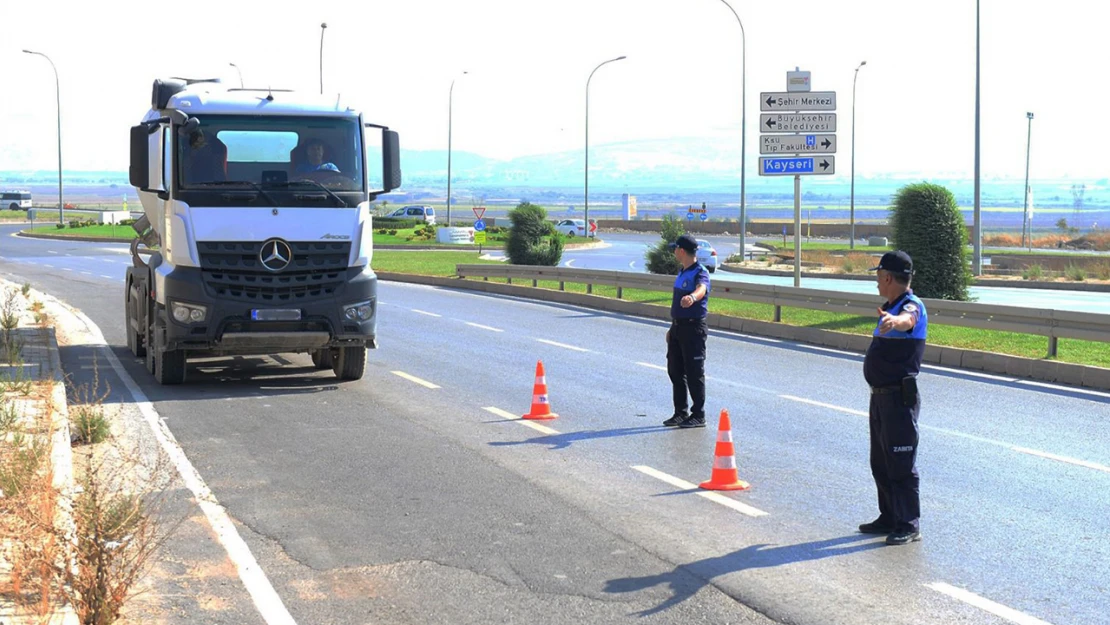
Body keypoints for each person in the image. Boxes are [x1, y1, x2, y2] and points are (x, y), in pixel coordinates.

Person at [859, 250, 928, 546]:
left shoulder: (909, 306)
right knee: (881, 462)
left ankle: (908, 523)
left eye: (878, 276)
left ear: (887, 277)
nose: (876, 282)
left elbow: (908, 320)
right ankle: (889, 516)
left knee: (901, 463)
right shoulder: (891, 305)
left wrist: (894, 321)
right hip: (881, 398)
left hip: (899, 398)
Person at [663, 233, 711, 429]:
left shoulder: (700, 272)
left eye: (675, 248)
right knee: (675, 371)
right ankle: (680, 412)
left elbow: (702, 288)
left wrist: (692, 297)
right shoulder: (682, 272)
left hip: (693, 328)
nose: (674, 251)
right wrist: (672, 328)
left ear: (681, 251)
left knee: (694, 373)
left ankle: (698, 414)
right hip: (678, 327)